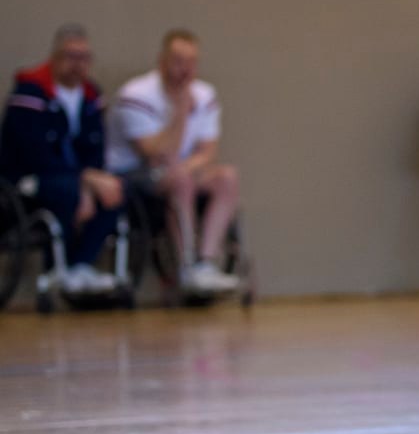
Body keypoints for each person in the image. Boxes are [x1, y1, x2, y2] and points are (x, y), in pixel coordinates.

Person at [106, 28, 241, 294]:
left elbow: (207, 151)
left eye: (191, 62)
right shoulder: (136, 94)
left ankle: (206, 261)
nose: (185, 70)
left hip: (178, 172)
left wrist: (185, 169)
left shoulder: (205, 94)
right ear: (162, 61)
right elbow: (155, 153)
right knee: (181, 181)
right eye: (178, 61)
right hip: (134, 175)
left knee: (226, 177)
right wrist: (180, 110)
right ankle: (186, 266)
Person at [0, 24, 123, 293]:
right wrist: (84, 182)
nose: (77, 65)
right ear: (54, 57)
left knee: (115, 190)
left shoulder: (91, 96)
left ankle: (81, 266)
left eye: (84, 58)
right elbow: (34, 154)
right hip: (28, 180)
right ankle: (58, 267)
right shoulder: (29, 93)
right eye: (70, 57)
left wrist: (90, 183)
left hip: (77, 179)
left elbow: (95, 149)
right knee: (67, 192)